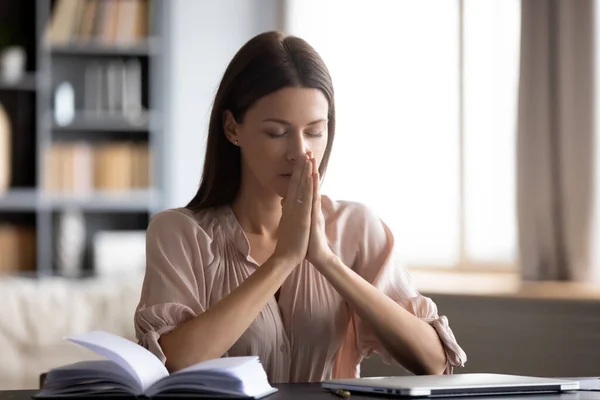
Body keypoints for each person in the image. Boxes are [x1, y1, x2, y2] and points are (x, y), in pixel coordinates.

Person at [134, 30, 467, 384]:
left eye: (314, 131)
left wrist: (325, 260)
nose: (299, 151)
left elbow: (433, 361)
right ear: (233, 128)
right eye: (277, 133)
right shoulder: (180, 233)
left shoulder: (355, 227)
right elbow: (172, 365)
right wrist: (283, 260)